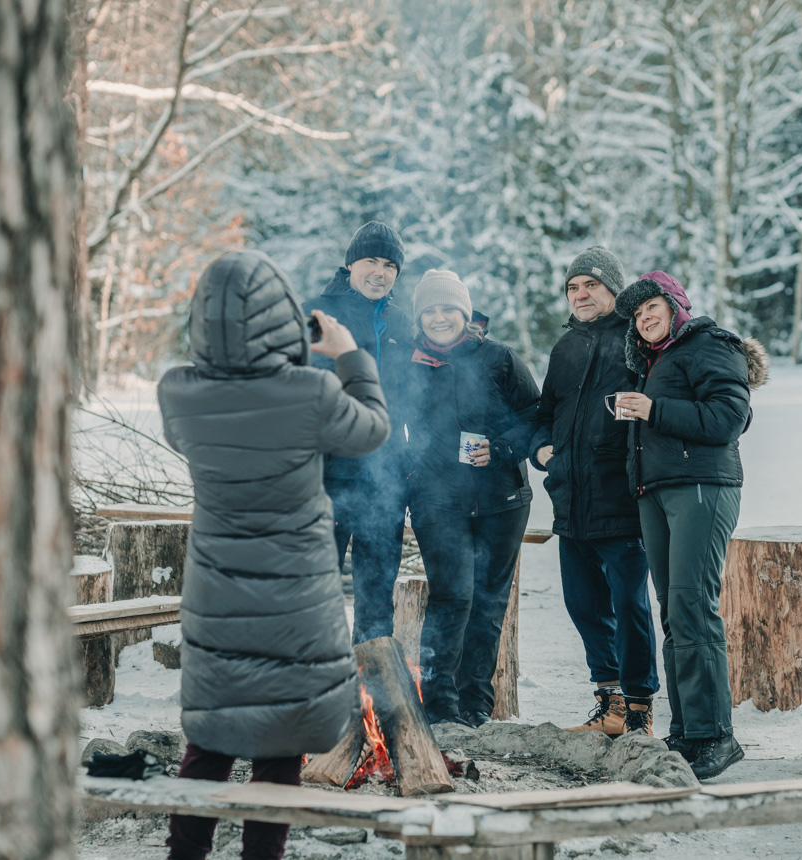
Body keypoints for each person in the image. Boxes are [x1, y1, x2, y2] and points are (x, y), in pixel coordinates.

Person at [157, 250, 390, 860]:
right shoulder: (311, 392)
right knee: (282, 745)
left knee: (210, 742)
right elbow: (371, 428)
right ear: (285, 320)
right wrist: (347, 355)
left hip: (217, 593)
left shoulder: (180, 394)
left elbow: (228, 406)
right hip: (296, 595)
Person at [613, 271, 768, 781]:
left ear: (675, 304)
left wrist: (654, 409)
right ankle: (687, 731)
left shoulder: (710, 344)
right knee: (674, 613)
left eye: (651, 307)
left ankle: (716, 736)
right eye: (637, 315)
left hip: (702, 487)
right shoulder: (653, 360)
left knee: (693, 607)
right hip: (657, 491)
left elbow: (728, 418)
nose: (644, 319)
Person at [530, 245, 660, 737]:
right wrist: (542, 452)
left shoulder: (636, 341)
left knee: (629, 606)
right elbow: (544, 416)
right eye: (573, 287)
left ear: (613, 290)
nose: (580, 294)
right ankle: (610, 703)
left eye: (591, 285)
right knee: (584, 605)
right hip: (571, 500)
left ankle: (639, 710)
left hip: (621, 499)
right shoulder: (564, 348)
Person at [405, 269, 540, 728]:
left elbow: (536, 416)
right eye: (430, 311)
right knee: (451, 596)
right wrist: (412, 472)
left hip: (502, 499)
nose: (439, 318)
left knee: (488, 603)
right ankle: (440, 704)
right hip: (437, 500)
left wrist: (500, 449)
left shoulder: (499, 358)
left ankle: (476, 705)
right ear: (419, 318)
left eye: (449, 309)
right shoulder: (410, 363)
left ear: (465, 314)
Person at [304, 221, 414, 644]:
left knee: (377, 594)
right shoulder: (317, 314)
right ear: (350, 263)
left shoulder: (401, 323)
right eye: (371, 261)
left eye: (390, 266)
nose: (379, 272)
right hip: (325, 477)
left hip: (384, 481)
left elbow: (417, 399)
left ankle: (372, 681)